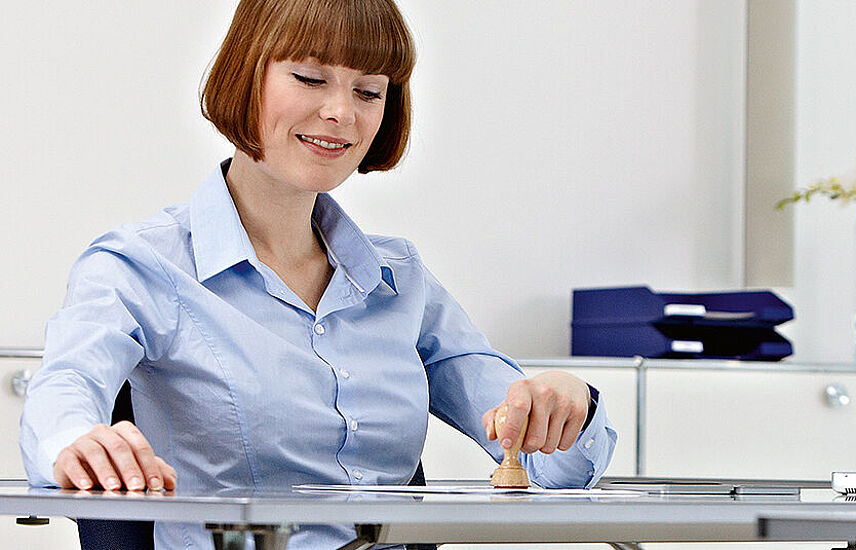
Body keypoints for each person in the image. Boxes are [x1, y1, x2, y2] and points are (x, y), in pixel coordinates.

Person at [18, 0, 617, 547]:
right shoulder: (140, 267)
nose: (340, 114)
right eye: (309, 78)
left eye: (369, 92)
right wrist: (77, 443)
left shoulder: (399, 280)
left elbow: (549, 465)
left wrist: (566, 408)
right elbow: (63, 393)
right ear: (246, 76)